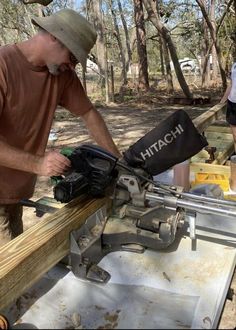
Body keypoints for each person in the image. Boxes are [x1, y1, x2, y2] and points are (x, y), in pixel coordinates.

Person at [0, 8, 120, 247]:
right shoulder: (3, 66)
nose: (72, 66)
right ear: (54, 37)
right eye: (73, 57)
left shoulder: (60, 74)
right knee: (11, 274)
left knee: (20, 257)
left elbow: (88, 113)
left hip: (15, 194)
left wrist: (118, 160)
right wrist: (38, 163)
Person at [220, 62, 236, 150]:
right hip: (232, 103)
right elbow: (231, 85)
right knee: (235, 135)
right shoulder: (234, 65)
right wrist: (222, 101)